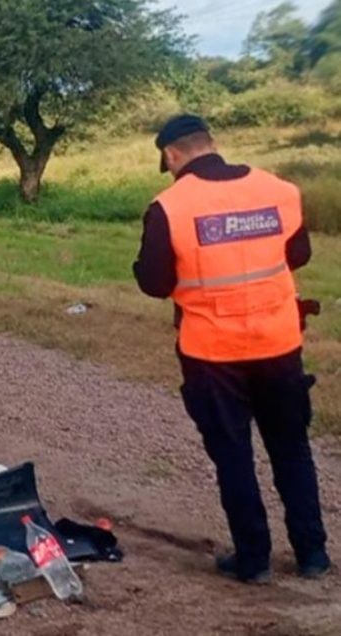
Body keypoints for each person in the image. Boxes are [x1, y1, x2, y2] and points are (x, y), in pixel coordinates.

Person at [133, 114, 331, 584]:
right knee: (292, 449)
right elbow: (297, 254)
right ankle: (313, 554)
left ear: (171, 155)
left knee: (234, 456)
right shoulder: (278, 190)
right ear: (211, 144)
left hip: (212, 354)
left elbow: (156, 283)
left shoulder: (168, 206)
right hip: (279, 343)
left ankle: (254, 560)